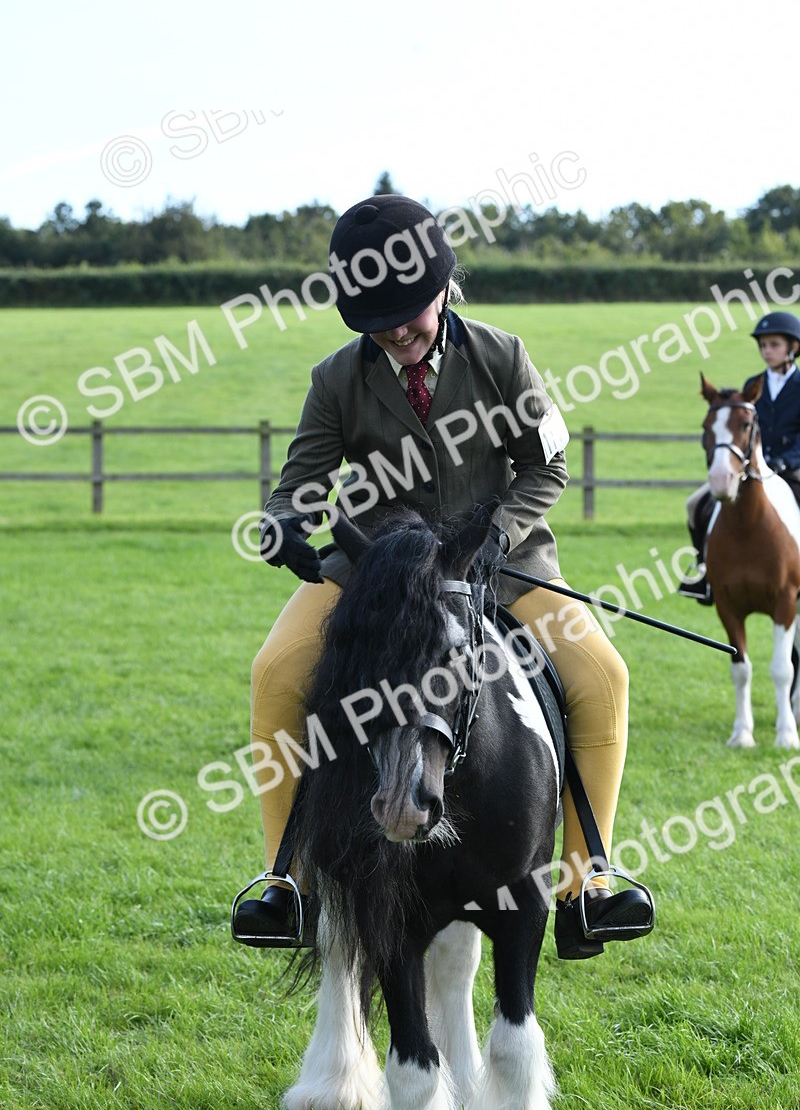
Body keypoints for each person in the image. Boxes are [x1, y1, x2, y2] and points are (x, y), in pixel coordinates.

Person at [233, 194, 654, 960]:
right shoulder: (337, 379)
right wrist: (284, 524)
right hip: (379, 568)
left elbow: (547, 464)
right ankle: (283, 879)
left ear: (443, 288)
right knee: (274, 672)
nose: (396, 331)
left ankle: (589, 881)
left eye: (409, 313)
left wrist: (497, 532)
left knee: (603, 675)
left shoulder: (503, 355)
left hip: (503, 563)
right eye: (377, 320)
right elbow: (298, 480)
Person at [678, 310, 800, 602]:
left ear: (792, 348)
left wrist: (786, 461)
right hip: (751, 469)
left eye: (774, 345)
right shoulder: (753, 383)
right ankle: (705, 572)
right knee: (695, 504)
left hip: (792, 469)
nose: (767, 351)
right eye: (763, 345)